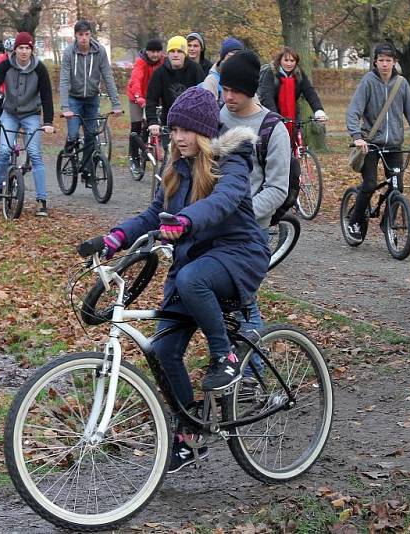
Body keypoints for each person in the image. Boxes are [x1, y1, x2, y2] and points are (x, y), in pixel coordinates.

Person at [82, 86, 269, 472]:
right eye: (174, 130)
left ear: (203, 132)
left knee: (191, 279)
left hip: (238, 254)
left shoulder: (231, 159)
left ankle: (226, 356)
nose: (179, 138)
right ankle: (190, 436)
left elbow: (224, 201)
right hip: (193, 262)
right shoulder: (175, 168)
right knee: (164, 351)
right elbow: (154, 213)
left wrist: (186, 221)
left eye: (186, 130)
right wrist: (117, 236)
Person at [218, 50, 289, 385]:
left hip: (252, 232)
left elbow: (276, 190)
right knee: (221, 304)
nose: (228, 97)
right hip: (214, 229)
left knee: (246, 304)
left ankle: (252, 376)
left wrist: (239, 216)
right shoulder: (217, 118)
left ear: (251, 90)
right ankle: (232, 368)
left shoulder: (273, 129)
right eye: (224, 88)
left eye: (235, 90)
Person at [345, 42, 410, 240]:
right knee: (370, 184)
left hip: (394, 146)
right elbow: (354, 111)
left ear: (394, 62)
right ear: (375, 62)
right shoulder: (368, 82)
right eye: (381, 60)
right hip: (370, 144)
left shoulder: (402, 84)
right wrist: (357, 137)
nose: (385, 64)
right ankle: (355, 222)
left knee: (397, 187)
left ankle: (386, 222)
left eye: (388, 60)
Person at [0, 32, 55, 216]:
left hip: (31, 114)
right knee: (5, 151)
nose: (24, 51)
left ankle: (41, 200)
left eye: (27, 48)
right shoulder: (6, 65)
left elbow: (47, 96)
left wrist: (48, 121)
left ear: (32, 50)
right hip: (10, 114)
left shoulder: (39, 68)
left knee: (35, 154)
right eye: (21, 48)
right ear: (15, 50)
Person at [59, 20, 123, 183]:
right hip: (74, 98)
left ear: (91, 35)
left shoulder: (99, 51)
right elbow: (65, 79)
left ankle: (88, 171)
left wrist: (116, 104)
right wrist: (65, 106)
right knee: (73, 134)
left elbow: (107, 76)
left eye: (87, 34)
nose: (84, 38)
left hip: (92, 99)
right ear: (75, 36)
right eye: (80, 35)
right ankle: (69, 147)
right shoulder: (68, 52)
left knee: (91, 136)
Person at [144, 35, 205, 158]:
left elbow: (204, 96)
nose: (175, 55)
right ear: (167, 54)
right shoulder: (160, 73)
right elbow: (151, 98)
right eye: (172, 51)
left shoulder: (196, 70)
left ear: (185, 54)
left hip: (192, 122)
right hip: (170, 122)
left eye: (179, 51)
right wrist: (152, 121)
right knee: (171, 158)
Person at [258, 46, 327, 146]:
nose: (289, 63)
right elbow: (267, 96)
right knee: (274, 143)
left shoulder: (298, 74)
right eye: (286, 60)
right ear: (280, 60)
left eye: (292, 60)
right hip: (272, 113)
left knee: (296, 141)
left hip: (292, 114)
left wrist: (318, 110)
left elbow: (309, 92)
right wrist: (275, 117)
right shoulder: (271, 73)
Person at [127, 38, 164, 168]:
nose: (155, 55)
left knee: (157, 123)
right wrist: (139, 98)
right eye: (152, 51)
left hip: (154, 98)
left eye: (158, 51)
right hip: (137, 97)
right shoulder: (140, 62)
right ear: (147, 52)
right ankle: (134, 157)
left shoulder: (163, 62)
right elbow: (136, 80)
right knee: (136, 126)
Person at [200, 37, 243, 103]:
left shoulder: (244, 78)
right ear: (223, 58)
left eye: (239, 57)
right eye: (231, 56)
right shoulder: (212, 80)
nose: (235, 60)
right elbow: (208, 109)